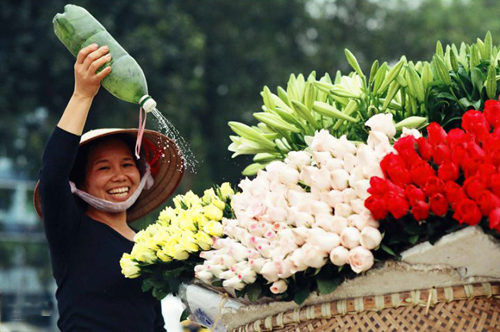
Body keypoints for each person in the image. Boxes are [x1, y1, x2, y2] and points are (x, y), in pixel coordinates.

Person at [33, 43, 185, 331]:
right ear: (80, 182)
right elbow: (52, 176)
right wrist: (82, 94)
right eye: (103, 167)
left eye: (127, 165)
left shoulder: (148, 246)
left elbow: (155, 324)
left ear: (142, 174)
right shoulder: (70, 232)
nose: (119, 176)